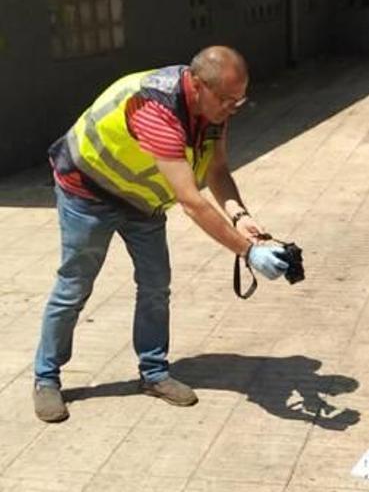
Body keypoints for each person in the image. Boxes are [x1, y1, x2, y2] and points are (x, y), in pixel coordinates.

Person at [33, 46, 291, 423]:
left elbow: (217, 171)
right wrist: (247, 253)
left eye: (239, 100)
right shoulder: (156, 108)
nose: (232, 108)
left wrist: (240, 217)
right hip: (87, 191)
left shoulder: (214, 107)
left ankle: (153, 373)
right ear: (198, 84)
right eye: (226, 100)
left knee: (156, 284)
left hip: (141, 202)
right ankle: (46, 379)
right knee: (74, 285)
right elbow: (191, 200)